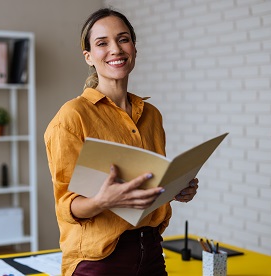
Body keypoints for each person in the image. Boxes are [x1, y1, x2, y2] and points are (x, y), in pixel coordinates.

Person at [44, 8, 198, 276]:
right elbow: (66, 207)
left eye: (123, 39)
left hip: (150, 251)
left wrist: (174, 187)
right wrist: (102, 200)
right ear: (89, 57)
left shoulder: (151, 115)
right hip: (99, 261)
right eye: (102, 43)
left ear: (134, 48)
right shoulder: (72, 117)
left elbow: (149, 182)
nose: (115, 49)